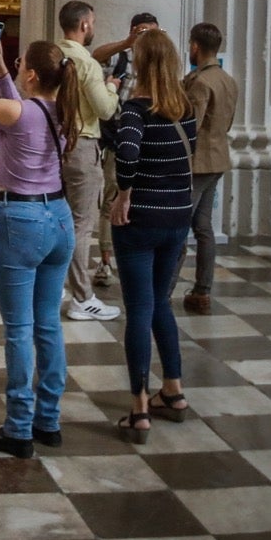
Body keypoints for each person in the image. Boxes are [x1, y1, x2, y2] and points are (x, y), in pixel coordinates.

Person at [0, 34, 80, 458]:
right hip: (60, 218)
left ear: (31, 75)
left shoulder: (17, 111)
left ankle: (19, 428)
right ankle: (49, 420)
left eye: (21, 64)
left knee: (19, 329)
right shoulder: (63, 107)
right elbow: (22, 113)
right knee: (48, 324)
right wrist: (3, 70)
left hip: (22, 221)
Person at [110, 29, 197, 443]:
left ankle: (140, 405)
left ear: (141, 65)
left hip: (140, 218)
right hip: (178, 218)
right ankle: (174, 392)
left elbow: (127, 154)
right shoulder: (187, 109)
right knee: (161, 302)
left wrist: (124, 193)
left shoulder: (135, 109)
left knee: (139, 308)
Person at [56, 0, 121, 321]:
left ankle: (56, 286)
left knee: (57, 220)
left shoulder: (52, 55)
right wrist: (111, 88)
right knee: (81, 226)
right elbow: (106, 110)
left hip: (53, 145)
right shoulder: (86, 63)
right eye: (92, 23)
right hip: (82, 145)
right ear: (84, 25)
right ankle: (82, 298)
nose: (93, 28)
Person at [92, 12, 160, 286]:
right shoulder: (120, 57)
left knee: (145, 198)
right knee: (112, 195)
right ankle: (105, 260)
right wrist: (127, 42)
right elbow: (95, 57)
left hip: (150, 136)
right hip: (119, 136)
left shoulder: (158, 61)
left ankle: (143, 256)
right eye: (143, 32)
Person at [180, 21, 238, 315]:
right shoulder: (228, 80)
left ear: (194, 47)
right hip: (218, 158)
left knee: (179, 225)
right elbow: (226, 123)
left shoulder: (201, 82)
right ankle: (202, 290)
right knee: (203, 227)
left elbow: (190, 125)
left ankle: (163, 288)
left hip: (197, 163)